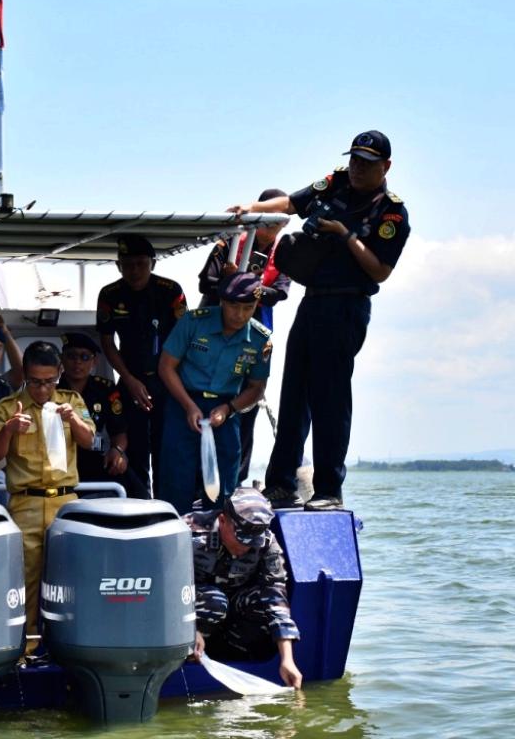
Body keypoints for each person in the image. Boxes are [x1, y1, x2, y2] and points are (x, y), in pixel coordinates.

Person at [228, 131, 411, 510]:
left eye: (367, 163)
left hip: (347, 305)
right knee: (293, 394)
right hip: (312, 300)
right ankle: (281, 484)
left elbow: (380, 271)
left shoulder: (391, 213)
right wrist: (251, 207)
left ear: (386, 167)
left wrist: (344, 235)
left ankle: (329, 489)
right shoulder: (337, 182)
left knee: (330, 399)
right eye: (354, 159)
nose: (357, 168)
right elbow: (292, 203)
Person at [0, 341, 95, 655]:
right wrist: (8, 430)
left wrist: (74, 420)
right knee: (25, 580)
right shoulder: (9, 407)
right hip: (26, 503)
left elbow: (91, 442)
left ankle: (73, 645)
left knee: (73, 576)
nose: (43, 389)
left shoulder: (71, 400)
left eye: (50, 381)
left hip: (66, 502)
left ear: (59, 374)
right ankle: (27, 646)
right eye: (35, 382)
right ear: (25, 376)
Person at [156, 273, 272, 515]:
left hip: (226, 412)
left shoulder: (260, 339)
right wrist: (188, 406)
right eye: (234, 307)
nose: (240, 315)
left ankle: (218, 535)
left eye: (248, 308)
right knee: (176, 479)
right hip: (183, 405)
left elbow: (256, 387)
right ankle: (175, 531)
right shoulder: (193, 322)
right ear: (222, 302)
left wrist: (229, 409)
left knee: (224, 487)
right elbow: (166, 367)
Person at [199, 188, 291, 484]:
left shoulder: (285, 251)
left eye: (278, 219)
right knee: (206, 401)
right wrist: (230, 285)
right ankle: (201, 483)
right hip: (213, 336)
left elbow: (280, 293)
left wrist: (248, 290)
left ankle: (236, 482)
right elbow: (206, 282)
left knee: (247, 405)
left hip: (253, 339)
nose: (271, 225)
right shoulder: (230, 240)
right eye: (266, 218)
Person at [186, 487, 303, 689]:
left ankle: (231, 656)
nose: (245, 547)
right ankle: (189, 655)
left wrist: (287, 659)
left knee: (261, 603)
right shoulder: (189, 532)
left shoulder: (266, 542)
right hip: (193, 611)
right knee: (215, 601)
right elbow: (165, 588)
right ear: (223, 520)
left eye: (252, 542)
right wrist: (189, 630)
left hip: (233, 615)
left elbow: (275, 596)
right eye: (241, 539)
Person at [96, 234, 187, 492]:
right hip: (130, 381)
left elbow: (183, 338)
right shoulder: (110, 294)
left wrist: (166, 376)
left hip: (166, 381)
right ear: (118, 266)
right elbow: (107, 342)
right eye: (127, 265)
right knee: (135, 451)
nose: (134, 271)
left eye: (140, 264)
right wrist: (129, 380)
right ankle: (139, 506)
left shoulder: (170, 291)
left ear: (152, 263)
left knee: (165, 450)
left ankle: (166, 507)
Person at [56, 332, 146, 498]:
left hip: (94, 455)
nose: (77, 362)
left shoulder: (105, 389)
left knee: (135, 488)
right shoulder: (50, 390)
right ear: (62, 359)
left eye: (84, 357)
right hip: (59, 460)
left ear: (94, 361)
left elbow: (119, 432)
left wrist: (118, 451)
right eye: (71, 356)